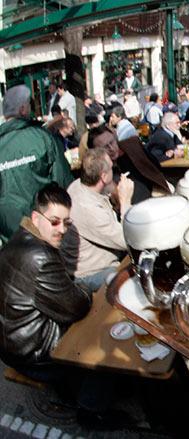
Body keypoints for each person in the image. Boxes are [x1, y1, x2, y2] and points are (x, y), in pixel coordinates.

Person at [0, 183, 91, 374]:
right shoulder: (41, 256)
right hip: (33, 354)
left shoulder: (19, 237)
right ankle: (89, 399)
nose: (62, 229)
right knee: (94, 326)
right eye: (54, 221)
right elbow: (78, 307)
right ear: (36, 217)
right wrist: (85, 290)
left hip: (11, 345)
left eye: (66, 222)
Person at [0, 85, 73, 245]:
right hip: (45, 233)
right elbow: (65, 183)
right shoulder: (42, 138)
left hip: (10, 239)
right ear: (23, 109)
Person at [62, 149, 134, 293]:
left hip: (102, 261)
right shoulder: (87, 208)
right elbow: (129, 240)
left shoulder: (79, 185)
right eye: (111, 166)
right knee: (135, 280)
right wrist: (126, 200)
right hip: (92, 274)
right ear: (103, 176)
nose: (114, 167)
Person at [88, 125, 170, 204]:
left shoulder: (131, 149)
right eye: (105, 147)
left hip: (153, 198)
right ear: (95, 152)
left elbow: (155, 165)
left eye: (112, 142)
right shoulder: (100, 173)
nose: (112, 149)